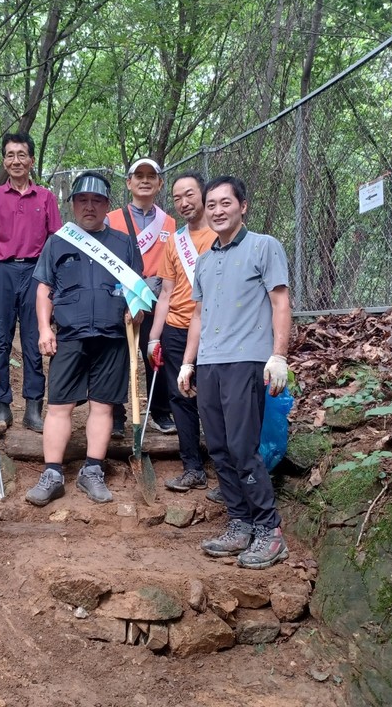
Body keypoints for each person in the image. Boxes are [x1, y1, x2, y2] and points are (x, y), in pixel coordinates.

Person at [177, 175, 291, 569]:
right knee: (220, 449)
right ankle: (240, 523)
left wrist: (278, 355)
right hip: (210, 363)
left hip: (247, 360)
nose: (217, 210)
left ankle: (269, 530)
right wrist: (188, 362)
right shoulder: (205, 261)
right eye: (211, 204)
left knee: (243, 447)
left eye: (226, 203)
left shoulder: (264, 246)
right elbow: (197, 315)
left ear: (243, 206)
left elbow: (280, 302)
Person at [25, 171, 148, 506]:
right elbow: (44, 288)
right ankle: (52, 474)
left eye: (97, 201)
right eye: (83, 200)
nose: (89, 206)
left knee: (103, 405)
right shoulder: (58, 242)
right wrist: (45, 328)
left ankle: (92, 471)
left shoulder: (123, 243)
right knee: (59, 405)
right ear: (73, 205)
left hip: (112, 335)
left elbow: (137, 287)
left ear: (107, 205)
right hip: (70, 335)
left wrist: (136, 309)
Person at [0, 132, 62, 434]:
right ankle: (2, 406)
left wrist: (55, 281)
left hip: (37, 273)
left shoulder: (46, 197)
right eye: (10, 155)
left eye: (22, 155)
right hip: (2, 271)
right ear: (4, 161)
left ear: (31, 160)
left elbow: (55, 241)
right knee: (0, 339)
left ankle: (33, 408)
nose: (16, 160)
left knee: (35, 340)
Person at [147, 172, 216, 493]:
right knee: (181, 395)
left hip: (214, 330)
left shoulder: (222, 234)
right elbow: (165, 293)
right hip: (176, 328)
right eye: (177, 198)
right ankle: (192, 467)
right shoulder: (174, 241)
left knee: (214, 399)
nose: (184, 202)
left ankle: (226, 468)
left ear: (203, 194)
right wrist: (154, 337)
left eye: (189, 194)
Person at [107, 158, 177, 437]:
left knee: (156, 350)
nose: (145, 180)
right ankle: (115, 414)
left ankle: (159, 411)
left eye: (151, 176)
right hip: (119, 295)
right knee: (116, 354)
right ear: (129, 182)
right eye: (139, 175)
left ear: (160, 183)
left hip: (155, 298)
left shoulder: (169, 222)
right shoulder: (112, 218)